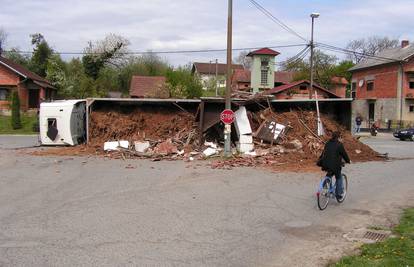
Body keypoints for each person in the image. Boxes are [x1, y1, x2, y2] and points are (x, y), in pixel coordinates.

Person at [318, 131, 351, 198]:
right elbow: (344, 155)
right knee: (338, 177)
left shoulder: (327, 143)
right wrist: (348, 161)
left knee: (329, 174)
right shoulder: (339, 145)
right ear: (339, 137)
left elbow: (323, 153)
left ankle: (326, 189)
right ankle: (338, 194)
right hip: (335, 165)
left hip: (325, 164)